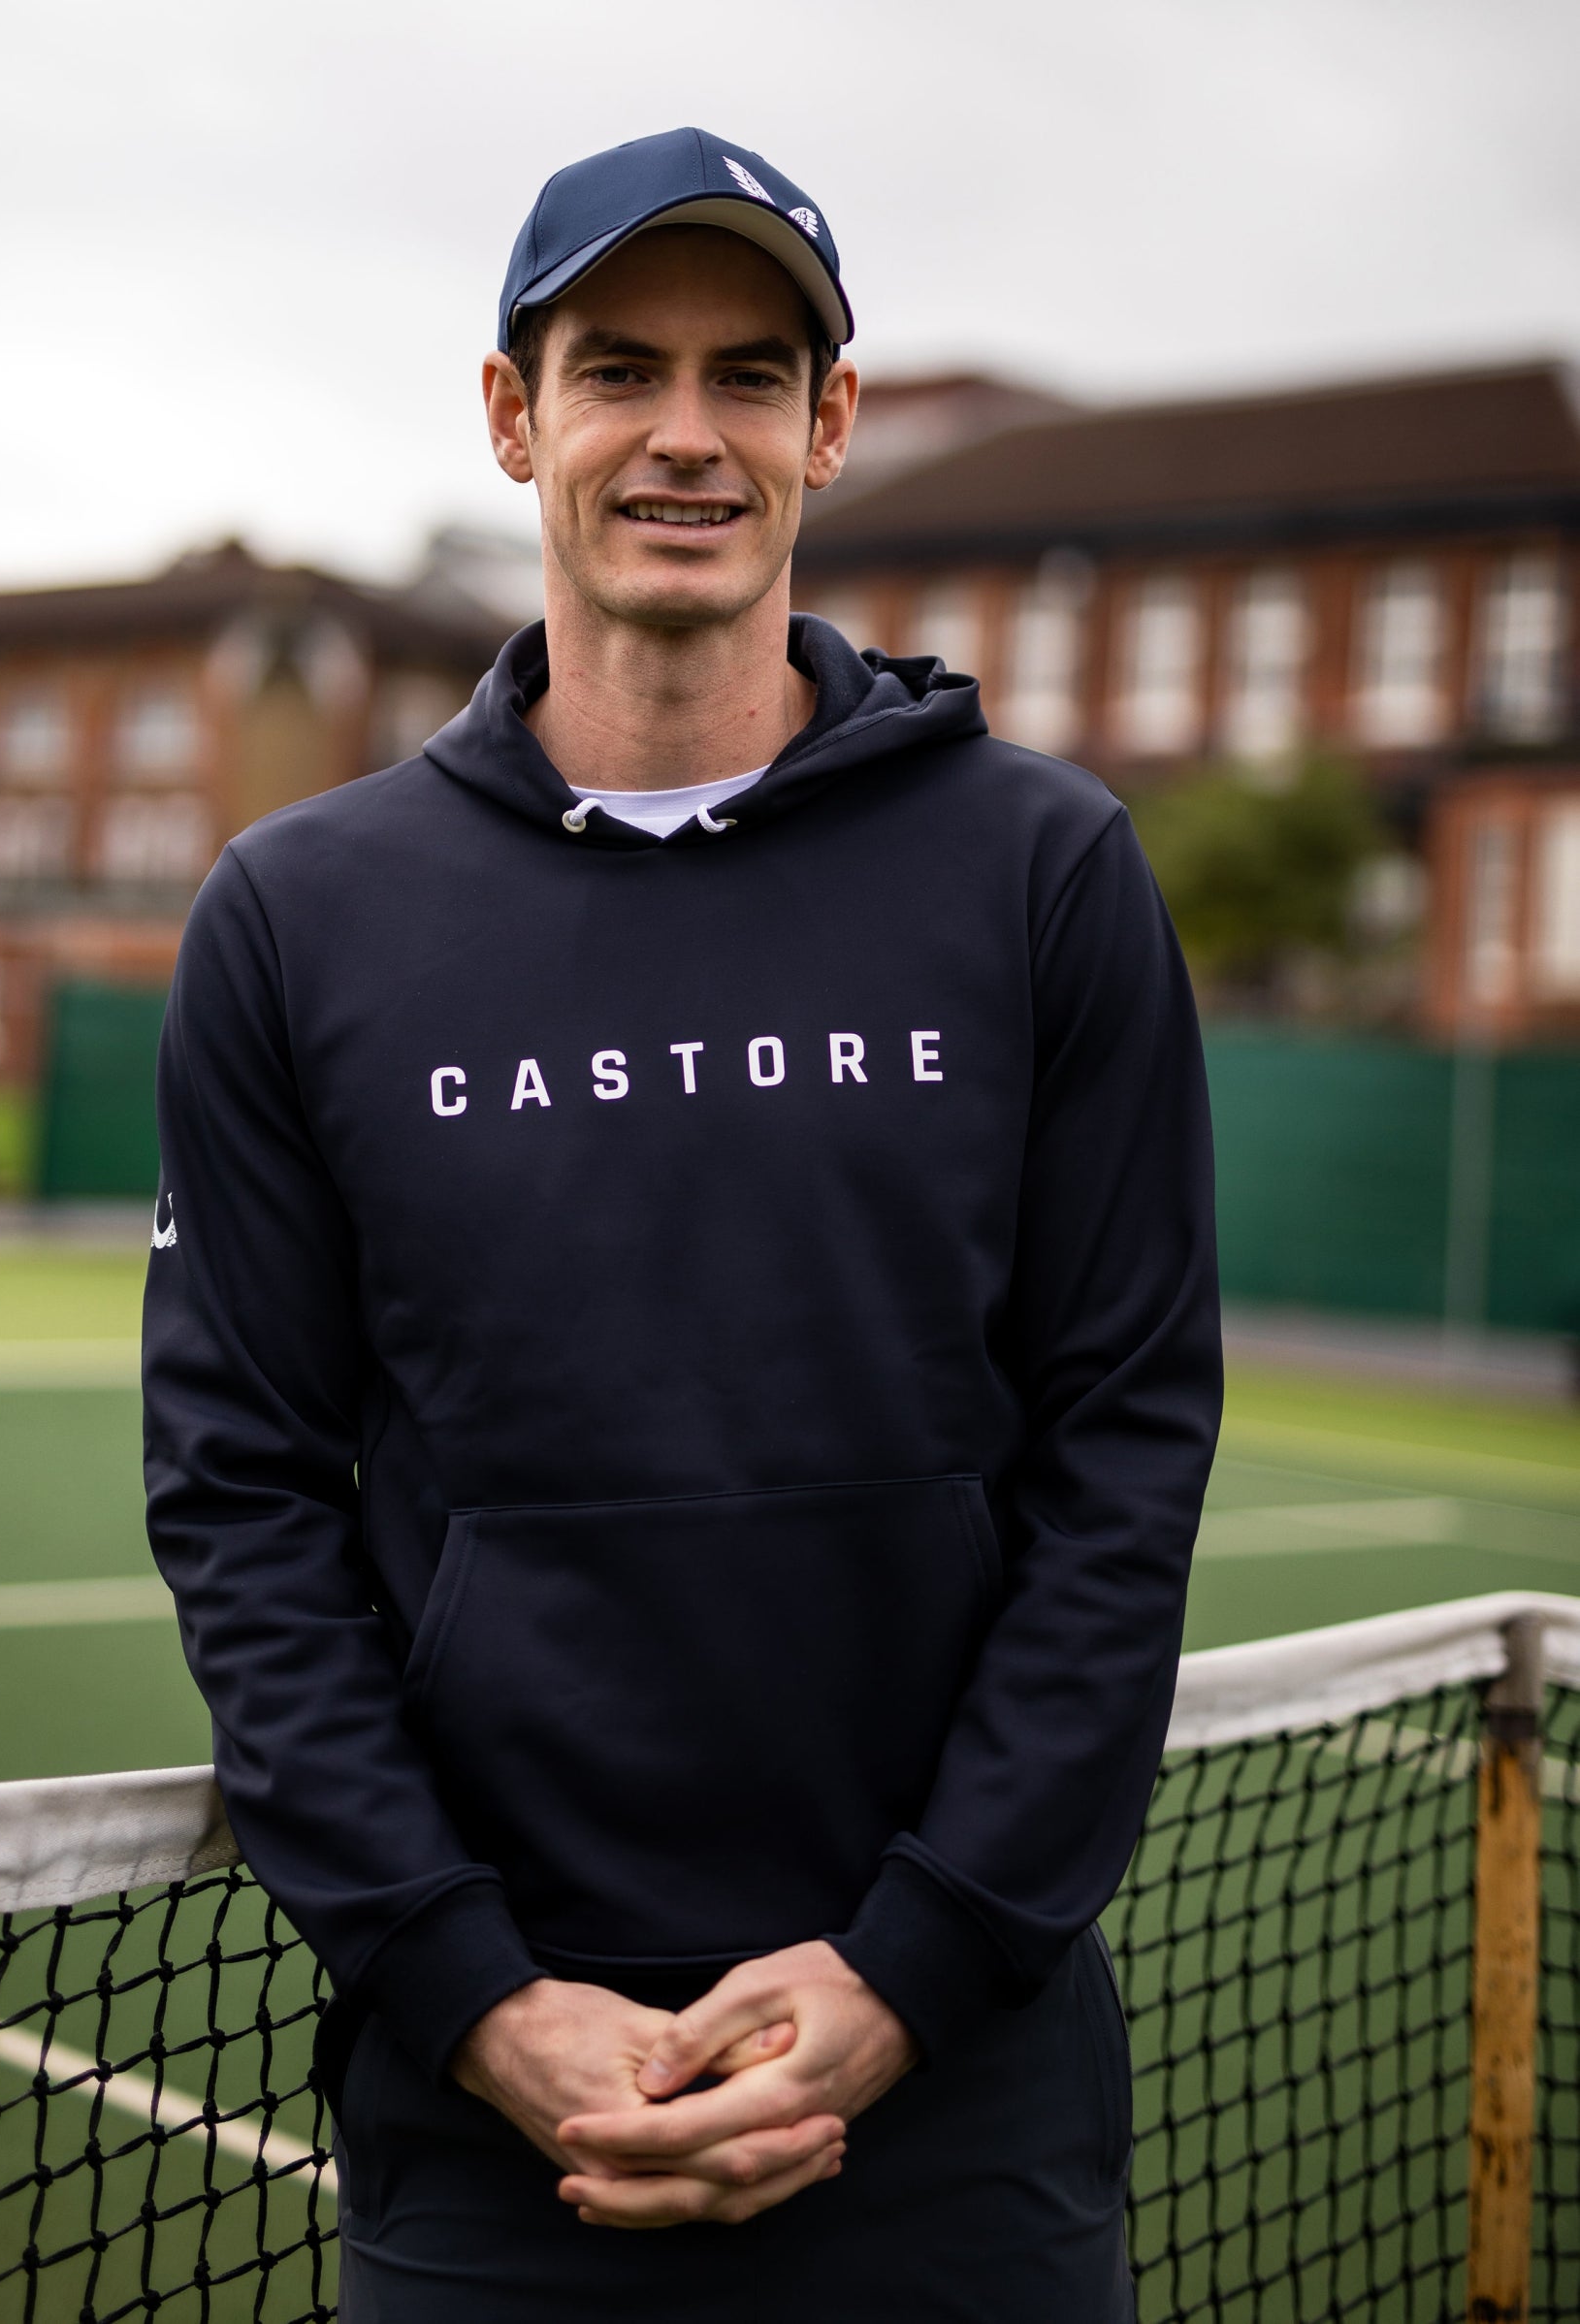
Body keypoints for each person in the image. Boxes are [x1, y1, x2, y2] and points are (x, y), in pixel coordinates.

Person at [144, 126, 1222, 2321]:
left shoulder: (1045, 871)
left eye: (752, 373)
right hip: (492, 2118)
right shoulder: (293, 917)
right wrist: (471, 1989)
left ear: (830, 422)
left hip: (961, 2096)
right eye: (618, 364)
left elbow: (1127, 1453)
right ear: (513, 412)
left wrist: (914, 1963)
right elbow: (243, 1496)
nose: (683, 432)